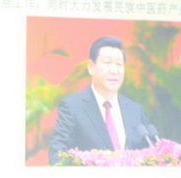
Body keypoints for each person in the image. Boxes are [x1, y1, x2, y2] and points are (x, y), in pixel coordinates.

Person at [49, 36, 150, 164]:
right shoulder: (73, 107)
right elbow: (58, 154)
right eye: (107, 63)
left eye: (119, 64)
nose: (114, 71)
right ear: (91, 67)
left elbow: (148, 154)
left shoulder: (135, 110)